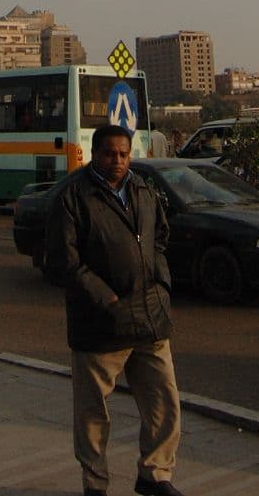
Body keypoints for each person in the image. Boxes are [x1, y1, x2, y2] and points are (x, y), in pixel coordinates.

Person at [45, 125, 184, 496]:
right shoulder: (74, 197)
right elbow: (65, 261)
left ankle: (155, 475)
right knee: (93, 415)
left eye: (124, 154)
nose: (118, 162)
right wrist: (106, 298)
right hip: (100, 326)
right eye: (110, 154)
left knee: (163, 404)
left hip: (150, 319)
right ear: (95, 154)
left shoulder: (142, 189)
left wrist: (161, 284)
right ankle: (95, 484)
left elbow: (159, 240)